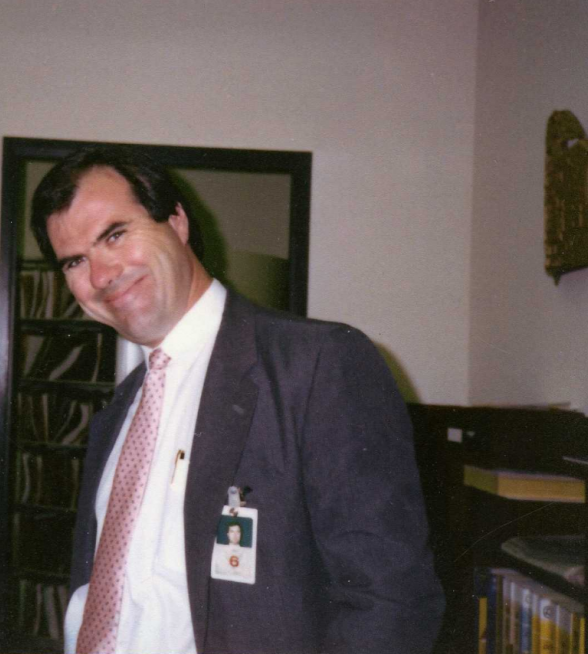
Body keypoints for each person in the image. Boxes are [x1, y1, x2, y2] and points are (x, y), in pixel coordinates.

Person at [30, 146, 444, 654]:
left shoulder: (315, 366)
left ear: (177, 222)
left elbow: (390, 603)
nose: (100, 275)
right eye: (76, 261)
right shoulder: (117, 413)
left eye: (115, 235)